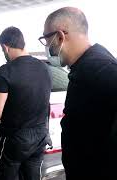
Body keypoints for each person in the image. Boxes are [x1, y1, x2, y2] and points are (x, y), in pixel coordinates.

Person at [40, 7, 117, 179]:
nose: (47, 47)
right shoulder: (84, 69)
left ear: (60, 37)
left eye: (46, 40)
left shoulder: (103, 70)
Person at [0, 26, 52, 180]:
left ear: (5, 46)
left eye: (2, 49)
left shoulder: (6, 70)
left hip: (14, 139)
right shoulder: (45, 68)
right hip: (39, 136)